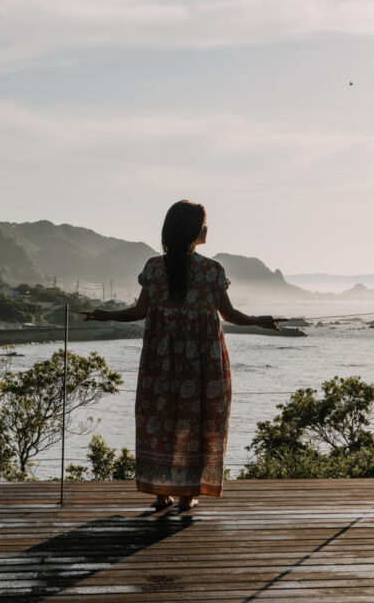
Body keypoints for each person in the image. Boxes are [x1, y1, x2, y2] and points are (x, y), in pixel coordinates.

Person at [85, 200, 283, 512]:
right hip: (202, 362)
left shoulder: (153, 268)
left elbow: (138, 312)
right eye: (204, 223)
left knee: (159, 420)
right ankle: (188, 494)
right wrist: (260, 321)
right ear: (193, 230)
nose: (207, 228)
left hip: (159, 361)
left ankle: (161, 492)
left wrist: (103, 315)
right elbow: (230, 315)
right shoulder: (212, 271)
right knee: (199, 421)